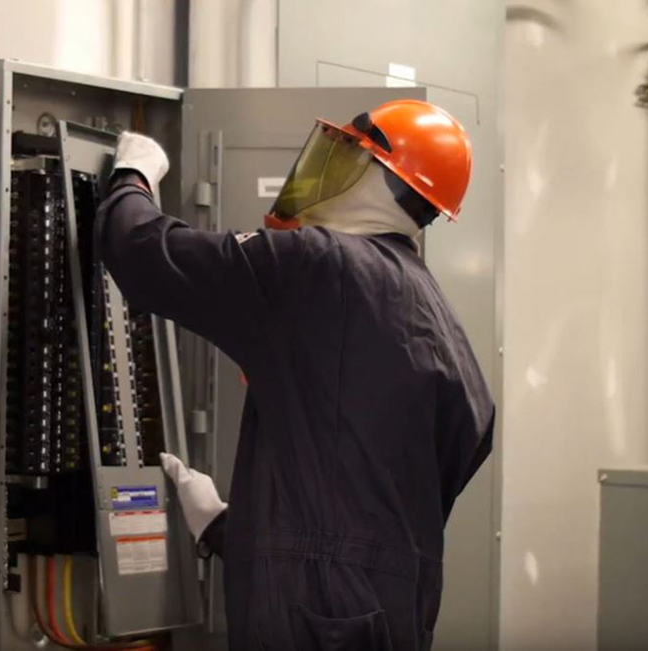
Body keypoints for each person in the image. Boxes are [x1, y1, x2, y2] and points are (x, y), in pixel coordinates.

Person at [96, 100, 494, 651]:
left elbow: (143, 254)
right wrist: (220, 527)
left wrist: (133, 175)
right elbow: (368, 506)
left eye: (343, 155)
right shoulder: (435, 313)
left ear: (378, 177)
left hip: (315, 614)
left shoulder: (319, 265)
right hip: (388, 614)